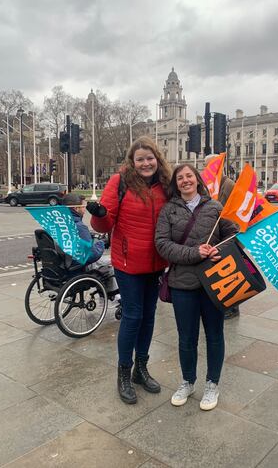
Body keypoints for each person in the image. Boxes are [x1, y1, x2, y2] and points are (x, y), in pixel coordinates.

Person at [87, 137, 172, 405]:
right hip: (128, 263)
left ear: (156, 159)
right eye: (140, 159)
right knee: (133, 317)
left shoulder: (166, 184)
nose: (146, 163)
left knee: (148, 317)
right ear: (132, 162)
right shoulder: (120, 182)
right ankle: (123, 372)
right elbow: (104, 225)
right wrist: (100, 213)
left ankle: (141, 369)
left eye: (150, 158)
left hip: (156, 263)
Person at [155, 164, 238, 411]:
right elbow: (162, 244)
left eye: (189, 176)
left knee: (214, 335)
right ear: (175, 184)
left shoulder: (215, 207)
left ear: (197, 179)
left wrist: (218, 252)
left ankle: (212, 383)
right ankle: (187, 381)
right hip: (183, 284)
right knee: (186, 337)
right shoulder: (168, 210)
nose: (185, 181)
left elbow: (233, 237)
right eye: (180, 178)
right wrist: (194, 253)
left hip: (214, 282)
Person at [203, 154, 238, 320]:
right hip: (214, 232)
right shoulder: (207, 184)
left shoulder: (228, 184)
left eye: (212, 165)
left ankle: (233, 306)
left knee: (230, 270)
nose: (209, 169)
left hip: (227, 232)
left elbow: (234, 209)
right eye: (207, 166)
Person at [62, 193, 105, 265]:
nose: (85, 209)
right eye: (83, 206)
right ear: (76, 208)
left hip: (65, 264)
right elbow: (93, 255)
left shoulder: (60, 222)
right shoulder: (79, 227)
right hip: (77, 266)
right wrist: (101, 243)